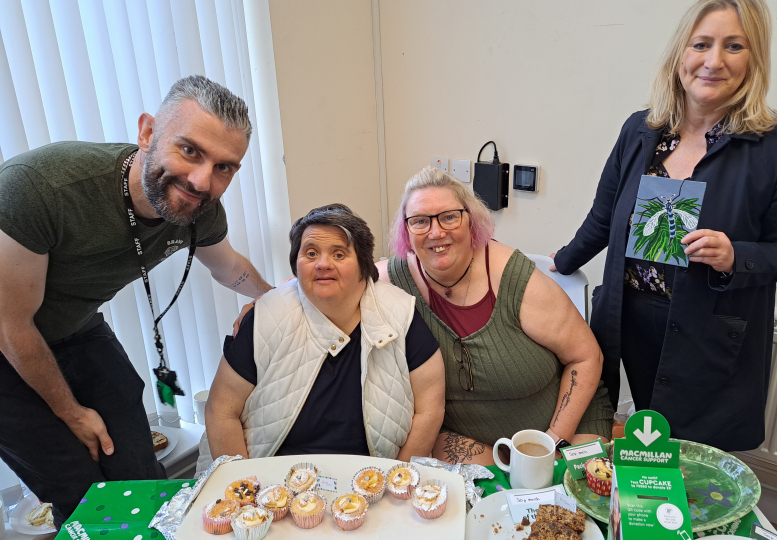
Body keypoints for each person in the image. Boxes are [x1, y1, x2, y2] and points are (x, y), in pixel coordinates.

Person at [0, 75, 273, 527]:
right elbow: (12, 326)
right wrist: (71, 412)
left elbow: (228, 267)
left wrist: (278, 300)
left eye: (225, 167)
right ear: (147, 132)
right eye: (190, 150)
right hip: (8, 339)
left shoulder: (198, 209)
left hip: (76, 326)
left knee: (140, 472)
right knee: (82, 491)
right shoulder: (41, 189)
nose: (202, 180)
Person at [551, 0, 777, 451]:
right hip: (628, 317)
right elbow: (603, 216)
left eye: (734, 46)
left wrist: (737, 255)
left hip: (706, 328)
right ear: (681, 54)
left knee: (688, 457)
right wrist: (555, 264)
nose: (714, 61)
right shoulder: (641, 131)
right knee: (626, 438)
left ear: (753, 58)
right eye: (702, 44)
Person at [378, 167, 614, 465]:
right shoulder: (392, 280)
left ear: (470, 221)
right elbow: (339, 280)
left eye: (449, 216)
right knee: (489, 505)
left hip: (564, 427)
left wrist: (552, 442)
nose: (436, 232)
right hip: (469, 440)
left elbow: (586, 357)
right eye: (420, 221)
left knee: (566, 502)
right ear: (406, 232)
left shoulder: (515, 279)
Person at [197, 204, 445, 474]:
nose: (323, 264)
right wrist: (246, 490)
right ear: (296, 264)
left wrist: (397, 480)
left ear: (363, 264)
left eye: (339, 254)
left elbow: (430, 408)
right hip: (274, 484)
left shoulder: (401, 313)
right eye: (311, 253)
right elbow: (221, 411)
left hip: (373, 481)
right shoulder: (265, 317)